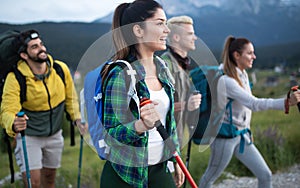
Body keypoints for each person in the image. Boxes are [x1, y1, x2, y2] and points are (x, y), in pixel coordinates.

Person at [99, 0, 184, 187]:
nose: (167, 30)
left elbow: (168, 122)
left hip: (159, 168)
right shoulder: (120, 74)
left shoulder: (163, 68)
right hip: (126, 173)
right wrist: (140, 125)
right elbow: (111, 134)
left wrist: (175, 157)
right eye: (160, 23)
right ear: (138, 31)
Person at [198, 36, 300, 188]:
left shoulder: (242, 74)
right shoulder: (227, 81)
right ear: (237, 55)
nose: (254, 56)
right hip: (224, 138)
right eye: (250, 53)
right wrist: (286, 102)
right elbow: (254, 103)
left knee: (265, 175)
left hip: (242, 136)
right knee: (209, 179)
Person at [0, 29, 85, 188]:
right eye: (34, 47)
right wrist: (13, 122)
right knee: (34, 183)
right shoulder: (16, 77)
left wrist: (77, 118)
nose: (41, 49)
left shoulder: (60, 70)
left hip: (55, 135)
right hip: (29, 137)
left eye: (41, 44)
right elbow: (7, 109)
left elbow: (70, 98)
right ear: (24, 55)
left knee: (49, 180)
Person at [160, 15, 201, 148]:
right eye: (190, 34)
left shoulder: (181, 65)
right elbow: (158, 106)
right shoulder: (165, 65)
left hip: (175, 137)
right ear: (176, 38)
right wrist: (186, 105)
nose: (195, 38)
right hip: (163, 140)